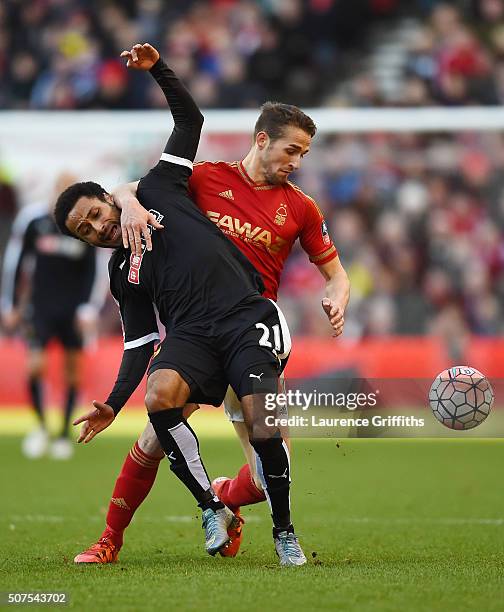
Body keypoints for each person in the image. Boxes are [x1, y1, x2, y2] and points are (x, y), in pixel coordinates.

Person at [74, 43, 350, 563]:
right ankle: (110, 538)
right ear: (262, 139)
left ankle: (224, 496)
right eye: (291, 150)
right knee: (158, 433)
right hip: (198, 333)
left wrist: (337, 295)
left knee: (271, 469)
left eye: (304, 155)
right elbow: (137, 188)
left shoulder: (301, 208)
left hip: (252, 331)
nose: (296, 162)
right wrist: (128, 203)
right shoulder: (206, 179)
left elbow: (335, 273)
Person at [0, 173, 103, 460]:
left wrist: (88, 308)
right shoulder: (36, 223)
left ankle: (61, 435)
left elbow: (93, 270)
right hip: (40, 308)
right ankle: (42, 427)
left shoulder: (81, 228)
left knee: (72, 372)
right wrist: (8, 305)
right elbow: (16, 262)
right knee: (34, 367)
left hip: (72, 310)